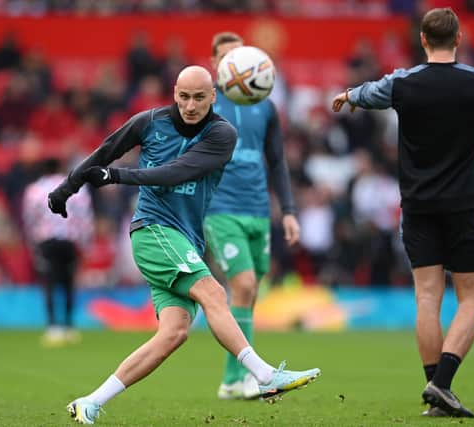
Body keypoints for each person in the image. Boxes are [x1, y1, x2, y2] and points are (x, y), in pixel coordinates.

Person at [47, 65, 320, 425]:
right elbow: (106, 150)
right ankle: (265, 376)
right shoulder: (149, 122)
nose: (190, 105)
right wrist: (67, 187)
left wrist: (117, 176)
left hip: (183, 237)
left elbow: (177, 171)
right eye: (184, 97)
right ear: (175, 93)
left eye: (199, 98)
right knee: (213, 293)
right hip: (154, 230)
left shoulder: (223, 134)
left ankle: (90, 401)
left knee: (174, 333)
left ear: (213, 97)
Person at [332, 7, 474, 418]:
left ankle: (434, 389)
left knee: (427, 296)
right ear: (458, 39)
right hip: (463, 206)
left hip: (418, 206)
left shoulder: (404, 84)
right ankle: (441, 384)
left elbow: (370, 91)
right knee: (473, 299)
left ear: (422, 40)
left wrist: (348, 96)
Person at [207, 31, 300, 400]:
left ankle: (231, 380)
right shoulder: (205, 103)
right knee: (243, 284)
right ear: (215, 63)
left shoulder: (266, 105)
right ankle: (250, 376)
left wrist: (289, 210)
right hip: (220, 207)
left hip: (258, 208)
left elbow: (277, 160)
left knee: (248, 292)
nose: (237, 67)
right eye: (227, 58)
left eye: (241, 57)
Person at [22, 158, 94, 347]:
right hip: (69, 241)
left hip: (46, 241)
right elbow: (85, 218)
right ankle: (69, 326)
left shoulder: (34, 190)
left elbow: (29, 219)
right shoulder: (77, 189)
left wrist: (33, 243)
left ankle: (53, 327)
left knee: (50, 282)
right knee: (69, 282)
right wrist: (85, 244)